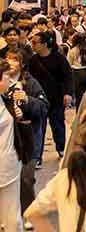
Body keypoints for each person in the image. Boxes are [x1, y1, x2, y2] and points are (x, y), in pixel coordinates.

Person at [0, 57, 37, 232]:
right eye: (7, 76)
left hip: (8, 164)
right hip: (5, 167)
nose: (10, 80)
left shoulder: (5, 98)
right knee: (11, 216)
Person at [28, 32, 72, 161]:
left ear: (45, 44)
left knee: (58, 124)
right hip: (38, 100)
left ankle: (61, 148)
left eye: (35, 43)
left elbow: (68, 77)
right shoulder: (33, 61)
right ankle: (37, 156)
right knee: (38, 128)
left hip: (56, 98)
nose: (33, 45)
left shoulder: (59, 58)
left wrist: (68, 93)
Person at [67, 33, 86, 110]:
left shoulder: (72, 51)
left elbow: (69, 64)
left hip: (77, 73)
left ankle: (79, 112)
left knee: (79, 96)